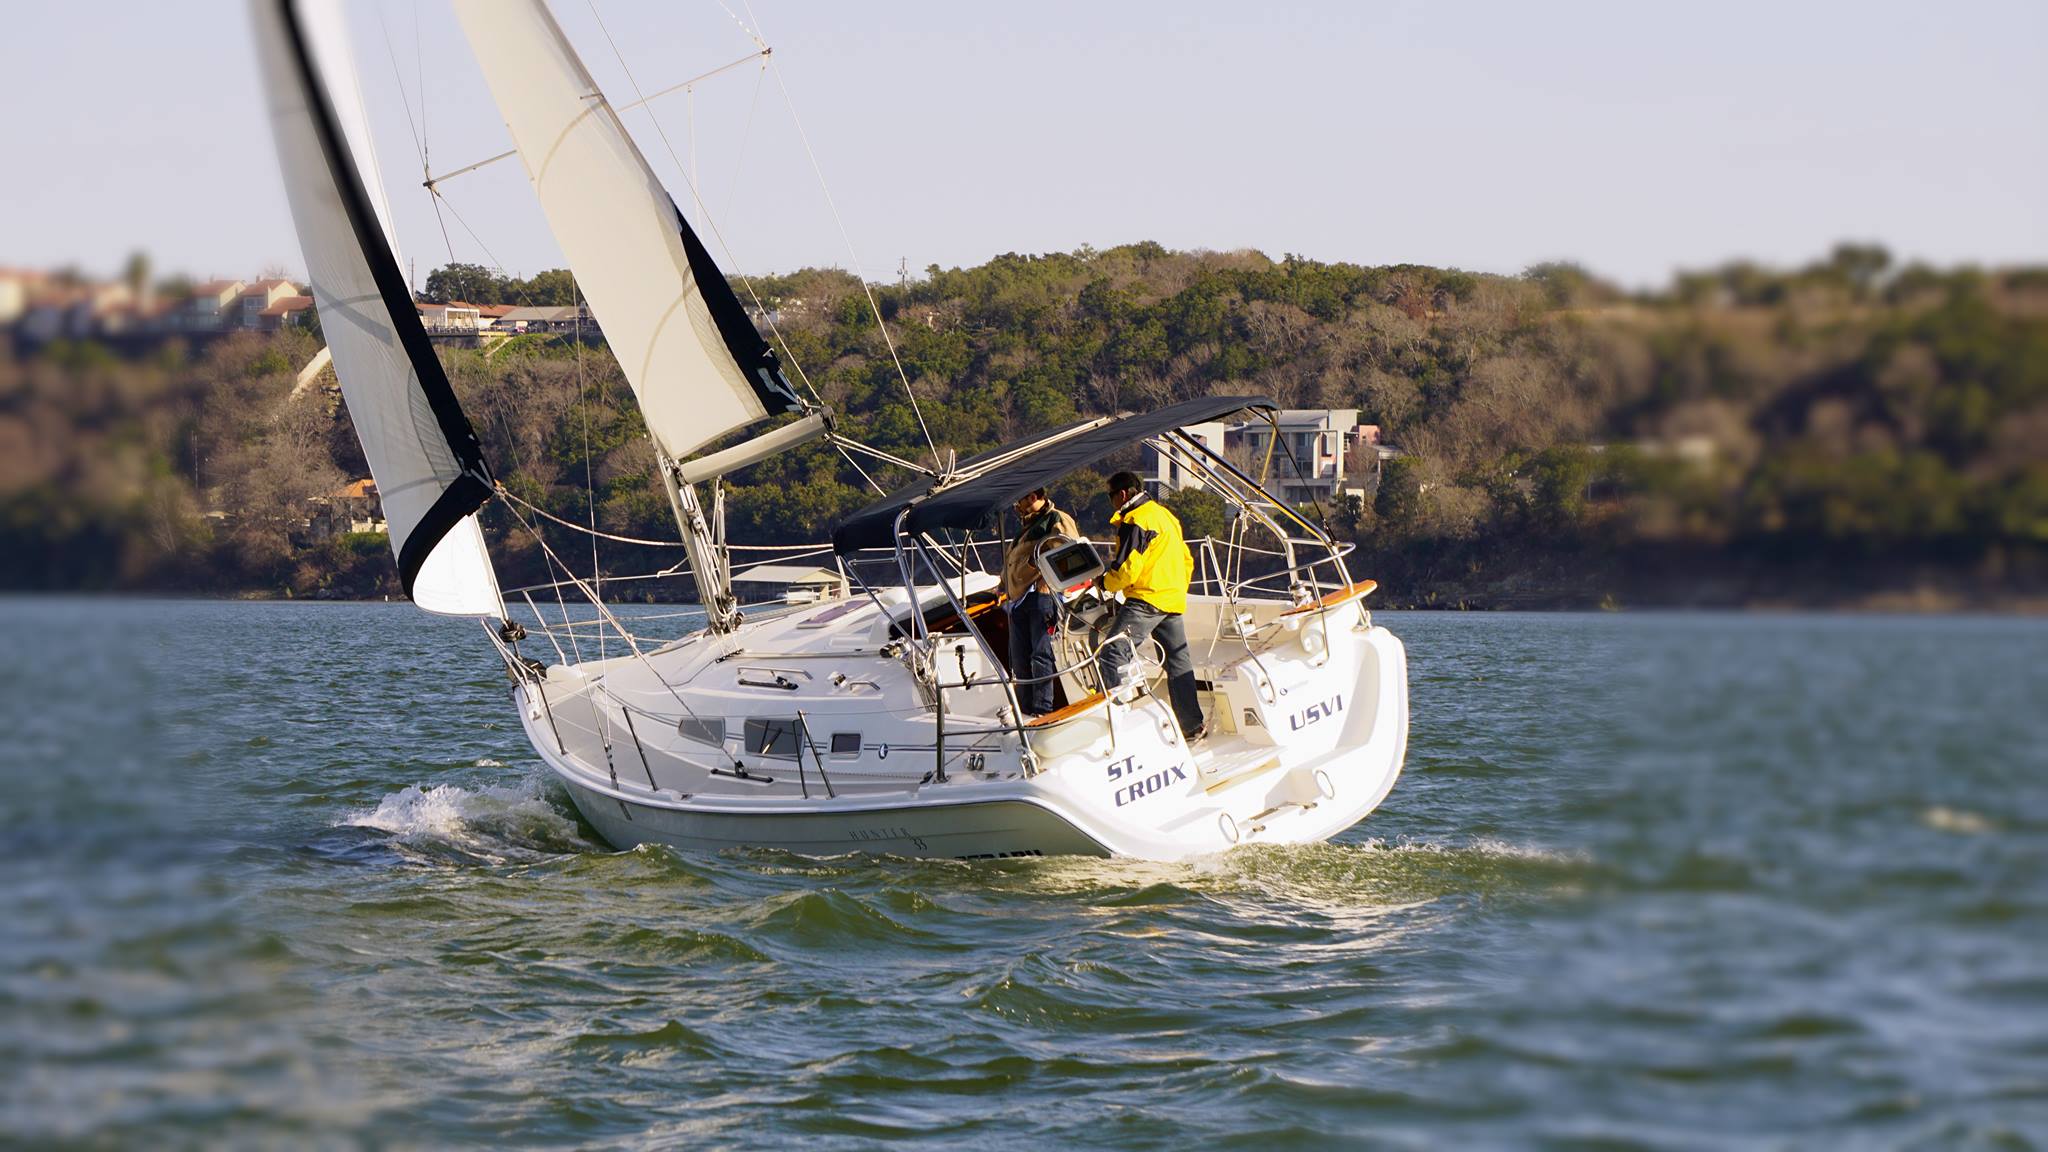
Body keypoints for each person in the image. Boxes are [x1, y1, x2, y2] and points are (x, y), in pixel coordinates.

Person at [1095, 470, 1205, 740]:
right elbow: (1186, 559)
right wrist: (1176, 588)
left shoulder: (1136, 520)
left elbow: (1128, 569)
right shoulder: (1164, 515)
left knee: (1111, 655)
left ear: (1122, 494)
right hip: (1171, 597)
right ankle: (1192, 726)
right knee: (1178, 661)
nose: (1111, 502)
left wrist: (1104, 583)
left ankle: (1124, 732)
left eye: (1111, 496)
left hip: (1146, 599)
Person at [1002, 487, 1079, 717]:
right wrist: (1002, 584)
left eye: (1019, 501)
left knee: (1040, 654)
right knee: (1019, 659)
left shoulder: (1057, 520)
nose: (1017, 507)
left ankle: (1042, 709)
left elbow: (1069, 554)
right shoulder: (1026, 528)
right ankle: (1024, 710)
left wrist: (1046, 581)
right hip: (1018, 601)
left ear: (1032, 497)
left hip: (1041, 597)